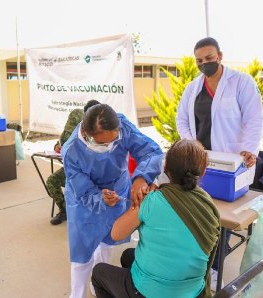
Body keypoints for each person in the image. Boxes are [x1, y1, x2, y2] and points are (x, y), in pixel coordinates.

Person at [176, 37, 263, 287]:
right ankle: (202, 262)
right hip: (202, 160)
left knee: (219, 217)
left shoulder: (241, 82)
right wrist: (191, 143)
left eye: (209, 58)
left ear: (220, 56)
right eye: (199, 61)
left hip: (233, 161)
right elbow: (181, 119)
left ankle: (213, 270)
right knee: (200, 211)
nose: (204, 64)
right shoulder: (193, 88)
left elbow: (254, 118)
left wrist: (248, 149)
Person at [92, 139, 221, 298]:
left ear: (165, 167)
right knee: (127, 255)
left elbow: (116, 234)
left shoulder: (153, 200)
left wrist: (143, 202)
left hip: (155, 292)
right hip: (193, 291)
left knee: (98, 273)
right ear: (204, 170)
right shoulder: (207, 203)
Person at [62, 104, 163, 298]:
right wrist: (99, 198)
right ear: (86, 132)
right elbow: (82, 189)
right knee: (82, 255)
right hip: (84, 203)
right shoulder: (71, 150)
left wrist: (141, 177)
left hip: (118, 190)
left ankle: (98, 282)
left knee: (109, 240)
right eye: (103, 144)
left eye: (114, 141)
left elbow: (151, 152)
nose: (110, 148)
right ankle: (77, 293)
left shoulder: (123, 127)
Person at [46, 100, 99, 225]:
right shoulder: (76, 121)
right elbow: (61, 141)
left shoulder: (98, 130)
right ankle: (64, 210)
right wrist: (57, 147)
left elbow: (96, 151)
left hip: (88, 172)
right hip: (71, 169)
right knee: (51, 182)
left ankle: (87, 213)